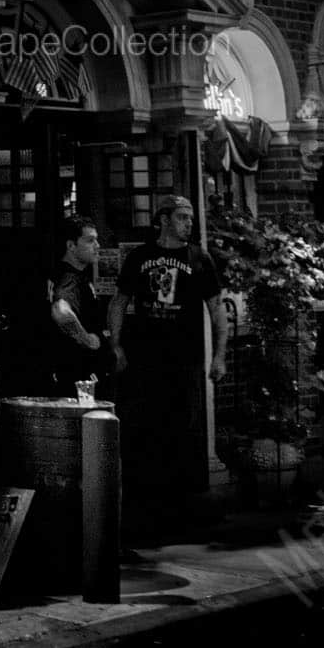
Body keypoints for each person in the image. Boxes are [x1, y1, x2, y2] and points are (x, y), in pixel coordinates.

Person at [107, 194, 227, 539]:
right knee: (147, 431)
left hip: (186, 360)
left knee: (184, 430)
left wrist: (219, 355)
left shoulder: (198, 257)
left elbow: (216, 307)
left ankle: (182, 510)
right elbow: (119, 301)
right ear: (162, 220)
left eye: (190, 218)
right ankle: (147, 509)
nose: (189, 224)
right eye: (182, 218)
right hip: (146, 359)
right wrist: (116, 345)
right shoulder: (140, 257)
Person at [48, 216, 110, 396]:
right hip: (79, 373)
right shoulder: (70, 277)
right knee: (88, 420)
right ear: (71, 246)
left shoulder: (63, 273)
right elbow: (61, 311)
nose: (97, 245)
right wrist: (87, 340)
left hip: (71, 370)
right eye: (90, 240)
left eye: (96, 239)